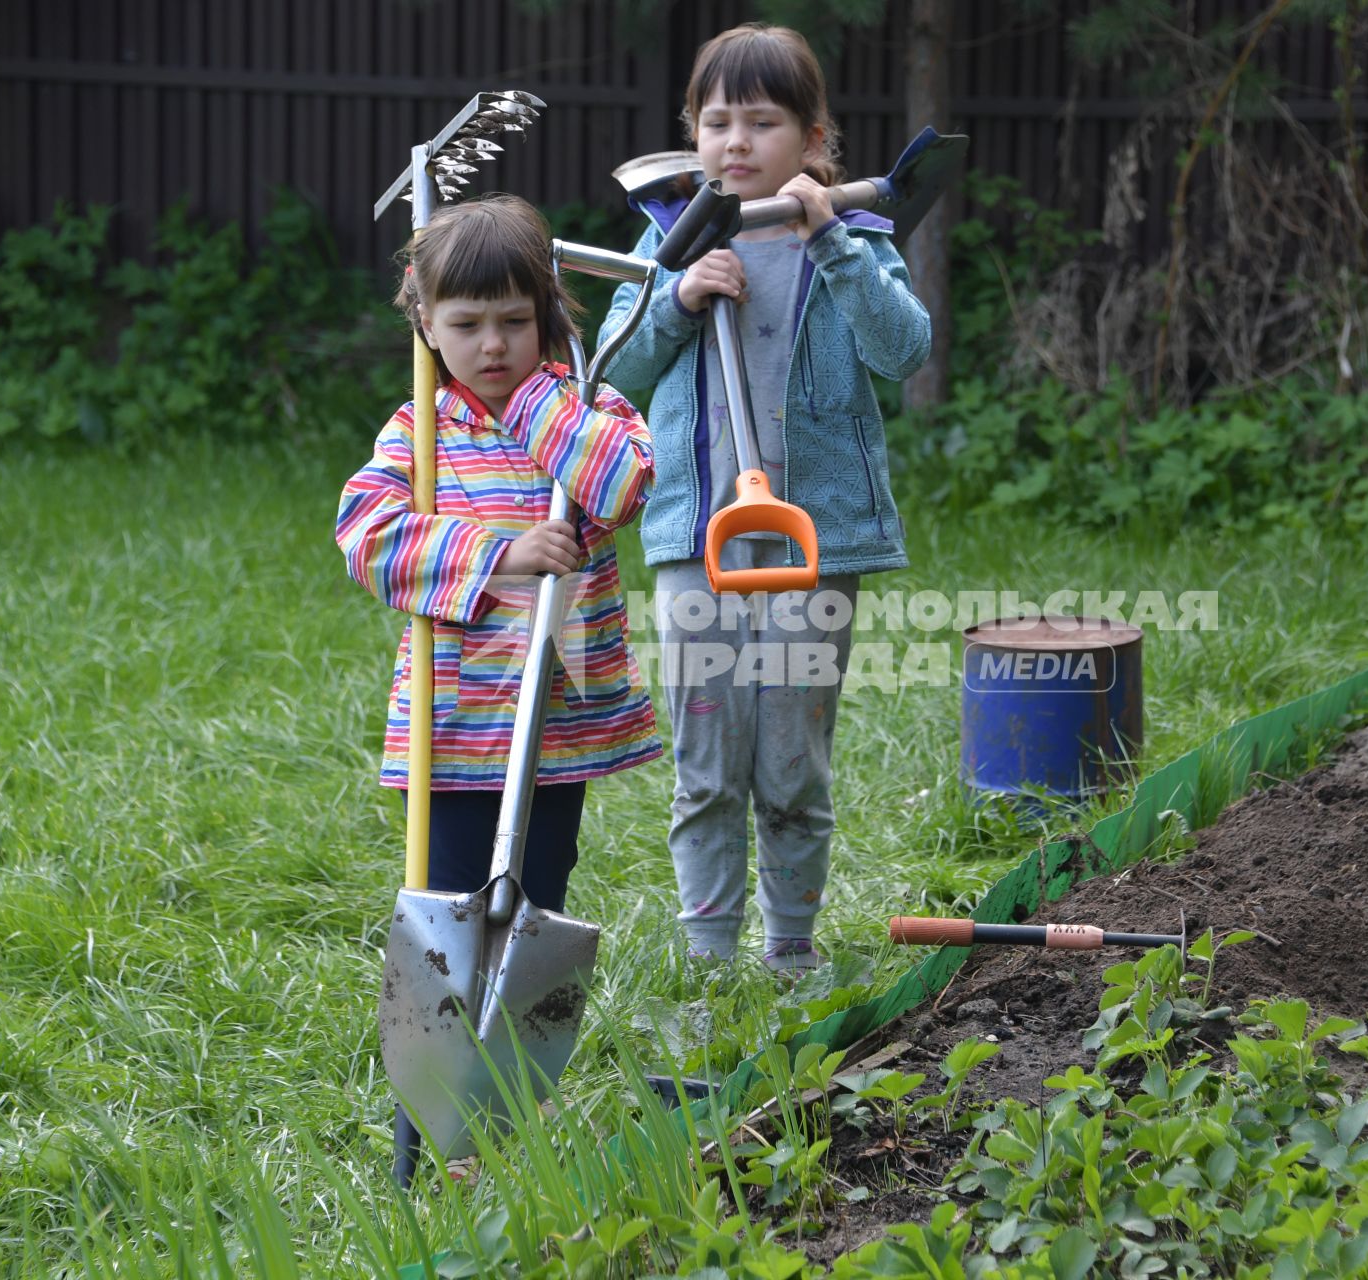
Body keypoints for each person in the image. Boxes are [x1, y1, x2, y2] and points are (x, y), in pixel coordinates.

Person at [598, 24, 931, 972]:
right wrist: (677, 296)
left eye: (763, 121)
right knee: (707, 767)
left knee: (792, 764)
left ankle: (789, 951)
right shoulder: (668, 241)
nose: (736, 141)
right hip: (698, 541)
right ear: (692, 136)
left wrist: (831, 242)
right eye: (716, 122)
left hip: (812, 544)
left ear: (813, 140)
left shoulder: (855, 236)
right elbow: (613, 376)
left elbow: (902, 352)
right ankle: (709, 958)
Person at [337, 195, 660, 912]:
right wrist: (503, 555)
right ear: (426, 323)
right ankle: (449, 1026)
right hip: (453, 724)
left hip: (556, 719)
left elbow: (623, 486)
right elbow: (368, 536)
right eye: (467, 325)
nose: (492, 346)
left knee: (539, 892)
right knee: (450, 894)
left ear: (544, 314)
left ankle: (519, 1023)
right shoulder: (420, 431)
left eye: (514, 322)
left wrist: (534, 404)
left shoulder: (591, 408)